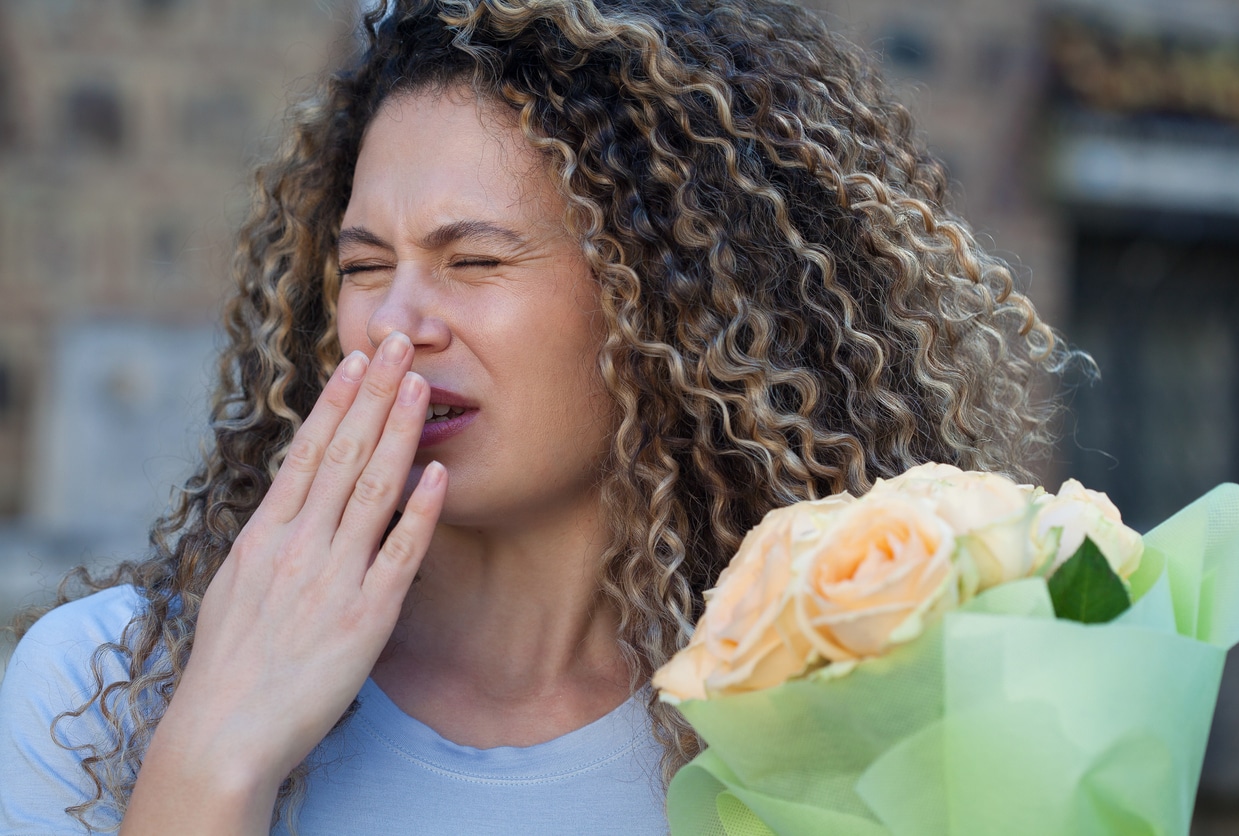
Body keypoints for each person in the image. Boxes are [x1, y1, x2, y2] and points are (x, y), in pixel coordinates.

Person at [0, 0, 1074, 832]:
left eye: (473, 260)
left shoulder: (821, 723)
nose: (399, 322)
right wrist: (209, 762)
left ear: (674, 299)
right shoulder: (102, 691)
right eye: (364, 266)